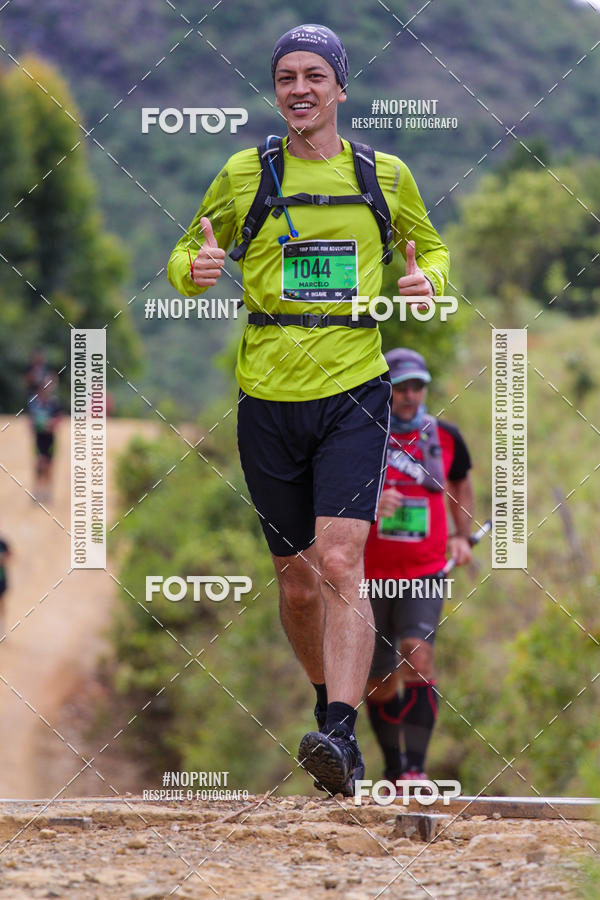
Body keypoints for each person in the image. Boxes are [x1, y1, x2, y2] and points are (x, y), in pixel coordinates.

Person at [168, 24, 449, 797]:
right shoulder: (241, 173)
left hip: (355, 389)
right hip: (267, 397)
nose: (300, 88)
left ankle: (338, 733)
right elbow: (185, 257)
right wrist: (194, 271)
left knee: (337, 561)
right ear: (277, 87)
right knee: (295, 582)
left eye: (315, 75)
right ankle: (330, 707)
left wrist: (429, 280)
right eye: (287, 75)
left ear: (340, 87)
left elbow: (433, 248)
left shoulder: (382, 174)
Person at [364, 348, 473, 784]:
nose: (410, 395)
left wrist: (461, 536)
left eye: (417, 386)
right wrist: (371, 501)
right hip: (368, 576)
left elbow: (461, 483)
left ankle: (416, 770)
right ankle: (392, 770)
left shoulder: (445, 436)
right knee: (379, 679)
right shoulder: (362, 436)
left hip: (425, 571)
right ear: (386, 389)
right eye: (401, 387)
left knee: (418, 655)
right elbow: (332, 491)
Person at [27, 371, 62, 504]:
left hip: (50, 439)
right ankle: (37, 491)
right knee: (38, 464)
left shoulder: (54, 403)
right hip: (38, 438)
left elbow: (59, 419)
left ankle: (47, 492)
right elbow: (30, 419)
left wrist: (51, 424)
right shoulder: (34, 403)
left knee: (48, 465)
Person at [0, 536, 10, 639]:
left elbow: (10, 555)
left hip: (1, 580)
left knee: (2, 605)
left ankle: (2, 629)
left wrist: (3, 559)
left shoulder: (3, 543)